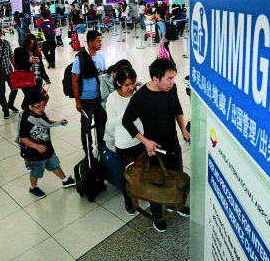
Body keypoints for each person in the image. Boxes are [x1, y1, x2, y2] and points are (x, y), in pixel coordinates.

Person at [122, 58, 191, 232]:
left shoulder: (171, 88)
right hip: (154, 148)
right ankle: (156, 215)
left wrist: (183, 128)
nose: (173, 82)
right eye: (169, 78)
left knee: (175, 175)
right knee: (156, 181)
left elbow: (177, 108)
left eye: (174, 77)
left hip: (172, 143)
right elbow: (126, 121)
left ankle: (174, 204)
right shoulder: (141, 97)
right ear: (155, 79)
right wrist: (145, 141)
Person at [19, 91, 75, 199]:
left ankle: (65, 180)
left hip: (47, 147)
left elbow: (46, 122)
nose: (41, 109)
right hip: (35, 152)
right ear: (30, 106)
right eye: (38, 106)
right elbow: (23, 138)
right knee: (36, 171)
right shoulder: (27, 119)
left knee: (55, 164)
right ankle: (33, 188)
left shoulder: (40, 113)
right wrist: (36, 146)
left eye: (43, 106)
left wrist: (58, 122)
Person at [104, 66, 143, 215]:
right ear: (119, 83)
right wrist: (126, 116)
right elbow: (110, 124)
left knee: (140, 172)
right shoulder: (112, 99)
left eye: (132, 83)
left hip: (140, 139)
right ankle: (129, 202)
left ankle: (140, 194)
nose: (131, 87)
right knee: (126, 174)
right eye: (127, 85)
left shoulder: (137, 94)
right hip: (124, 143)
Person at [71, 30, 107, 155]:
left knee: (100, 124)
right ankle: (88, 152)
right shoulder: (80, 58)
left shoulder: (101, 57)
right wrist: (77, 102)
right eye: (98, 41)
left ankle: (102, 148)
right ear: (90, 42)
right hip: (86, 99)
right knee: (86, 128)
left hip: (100, 98)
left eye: (101, 41)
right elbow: (74, 81)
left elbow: (104, 76)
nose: (100, 43)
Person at [14, 33, 50, 110]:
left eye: (33, 43)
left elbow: (41, 66)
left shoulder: (36, 51)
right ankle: (26, 109)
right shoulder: (19, 51)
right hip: (26, 78)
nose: (31, 45)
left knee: (36, 96)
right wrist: (28, 62)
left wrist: (45, 77)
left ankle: (32, 111)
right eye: (30, 43)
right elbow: (18, 65)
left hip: (38, 77)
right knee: (29, 96)